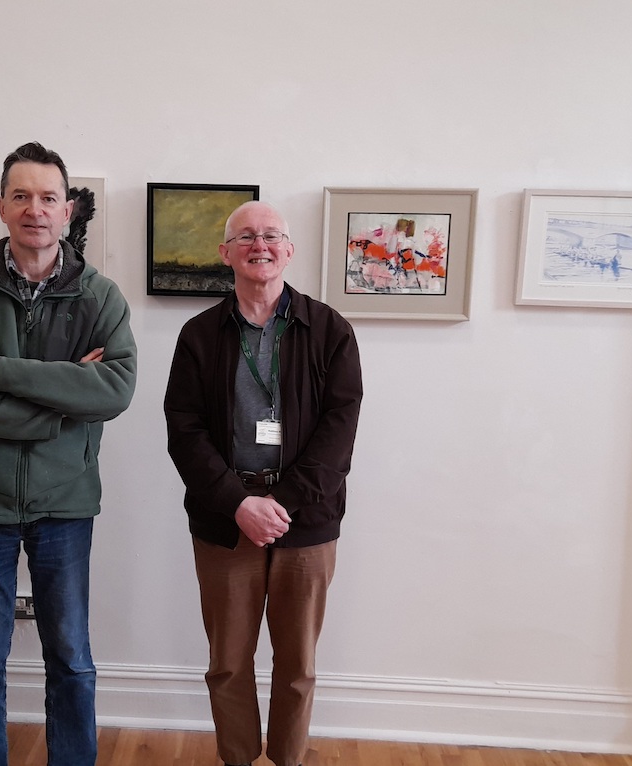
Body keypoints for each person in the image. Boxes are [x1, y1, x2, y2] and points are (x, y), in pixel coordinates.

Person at [0, 141, 137, 766]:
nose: (34, 209)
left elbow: (116, 388)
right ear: (1, 206)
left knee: (71, 659)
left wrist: (1, 372)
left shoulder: (100, 297)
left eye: (47, 197)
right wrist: (58, 406)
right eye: (21, 196)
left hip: (65, 503)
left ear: (67, 210)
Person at [164, 201, 363, 766]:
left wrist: (280, 503)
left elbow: (339, 430)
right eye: (246, 236)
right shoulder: (199, 335)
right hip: (225, 521)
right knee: (227, 662)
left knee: (297, 665)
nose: (261, 244)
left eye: (272, 235)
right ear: (226, 253)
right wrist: (239, 503)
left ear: (290, 250)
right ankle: (237, 759)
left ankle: (289, 759)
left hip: (308, 520)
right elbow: (185, 431)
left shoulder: (330, 330)